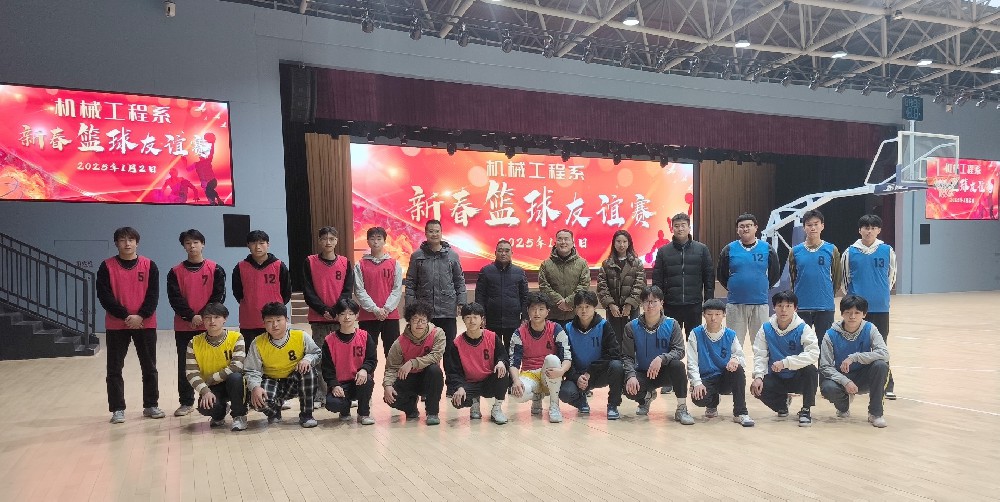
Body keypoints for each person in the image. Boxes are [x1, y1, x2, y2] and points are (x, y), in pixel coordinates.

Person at [98, 226, 162, 424]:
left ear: (137, 243)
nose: (127, 244)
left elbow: (153, 295)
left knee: (149, 367)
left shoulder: (149, 265)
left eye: (131, 240)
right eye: (123, 240)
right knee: (114, 369)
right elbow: (104, 296)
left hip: (145, 323)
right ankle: (117, 409)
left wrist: (141, 316)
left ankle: (151, 405)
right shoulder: (106, 266)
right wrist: (126, 316)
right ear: (116, 243)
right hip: (117, 325)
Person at [651, 212, 715, 394]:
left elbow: (708, 277)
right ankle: (669, 380)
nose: (680, 228)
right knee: (670, 344)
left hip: (694, 304)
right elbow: (657, 280)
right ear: (672, 228)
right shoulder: (664, 251)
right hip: (671, 305)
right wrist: (658, 303)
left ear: (689, 227)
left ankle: (696, 379)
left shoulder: (701, 249)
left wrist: (708, 302)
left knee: (695, 343)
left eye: (683, 225)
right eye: (676, 225)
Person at [166, 228, 227, 417]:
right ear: (184, 246)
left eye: (196, 242)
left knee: (214, 363)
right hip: (185, 326)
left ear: (203, 244)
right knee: (186, 364)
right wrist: (191, 316)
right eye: (188, 243)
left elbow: (218, 296)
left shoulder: (216, 269)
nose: (192, 246)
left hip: (210, 325)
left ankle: (218, 398)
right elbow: (174, 298)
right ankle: (186, 402)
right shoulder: (175, 271)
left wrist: (204, 316)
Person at [842, 214, 898, 399]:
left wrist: (879, 294)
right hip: (856, 310)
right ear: (860, 230)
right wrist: (854, 300)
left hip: (880, 307)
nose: (869, 231)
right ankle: (854, 382)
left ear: (879, 230)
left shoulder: (887, 250)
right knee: (855, 346)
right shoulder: (850, 252)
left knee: (881, 346)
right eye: (866, 227)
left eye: (873, 228)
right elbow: (845, 280)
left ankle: (887, 384)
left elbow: (891, 277)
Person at [622, 286, 695, 424]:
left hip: (665, 372)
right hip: (643, 372)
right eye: (646, 301)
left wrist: (662, 358)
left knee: (678, 366)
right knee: (628, 386)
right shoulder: (631, 327)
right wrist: (631, 376)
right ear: (641, 304)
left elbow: (680, 351)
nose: (650, 305)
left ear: (661, 303)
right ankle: (646, 397)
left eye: (654, 301)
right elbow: (627, 356)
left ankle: (682, 408)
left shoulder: (672, 324)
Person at [403, 219, 466, 377]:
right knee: (426, 349)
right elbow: (410, 283)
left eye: (437, 231)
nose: (434, 234)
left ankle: (452, 384)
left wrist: (461, 302)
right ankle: (428, 384)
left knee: (449, 349)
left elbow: (459, 281)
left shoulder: (452, 256)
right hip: (425, 312)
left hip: (447, 311)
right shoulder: (417, 256)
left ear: (441, 233)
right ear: (425, 233)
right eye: (431, 231)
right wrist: (411, 308)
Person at [245, 302, 321, 428]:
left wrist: (307, 359)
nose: (274, 325)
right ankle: (275, 411)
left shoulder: (300, 336)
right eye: (269, 321)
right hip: (271, 380)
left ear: (286, 320)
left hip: (294, 380)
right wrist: (255, 387)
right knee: (258, 401)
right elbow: (252, 370)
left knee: (308, 371)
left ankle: (306, 415)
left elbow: (316, 353)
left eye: (278, 320)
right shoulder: (257, 343)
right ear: (263, 323)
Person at [750, 290, 820, 427]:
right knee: (756, 388)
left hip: (797, 377)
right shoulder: (766, 328)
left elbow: (813, 353)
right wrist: (758, 376)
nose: (784, 310)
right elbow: (760, 355)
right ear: (774, 307)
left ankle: (806, 410)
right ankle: (782, 404)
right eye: (780, 305)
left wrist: (786, 363)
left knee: (811, 370)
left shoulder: (803, 328)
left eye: (788, 306)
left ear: (795, 308)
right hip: (776, 376)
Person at [302, 226, 355, 408]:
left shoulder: (345, 262)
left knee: (341, 357)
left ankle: (344, 393)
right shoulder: (310, 262)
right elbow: (308, 290)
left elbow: (347, 290)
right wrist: (323, 309)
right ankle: (319, 395)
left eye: (332, 239)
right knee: (319, 356)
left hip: (340, 318)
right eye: (324, 238)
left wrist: (336, 310)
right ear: (319, 241)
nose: (328, 242)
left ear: (336, 241)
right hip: (318, 318)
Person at [819, 295, 891, 428]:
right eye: (848, 312)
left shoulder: (870, 329)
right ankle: (843, 406)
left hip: (864, 376)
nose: (852, 316)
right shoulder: (830, 334)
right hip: (842, 377)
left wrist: (855, 357)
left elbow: (884, 354)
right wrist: (845, 381)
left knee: (881, 365)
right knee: (827, 387)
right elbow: (825, 366)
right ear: (842, 314)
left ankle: (875, 413)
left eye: (857, 313)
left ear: (864, 314)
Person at [687, 299, 754, 427]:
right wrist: (696, 383)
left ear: (724, 315)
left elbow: (740, 356)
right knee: (698, 398)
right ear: (704, 315)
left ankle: (740, 412)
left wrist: (735, 359)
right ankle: (712, 402)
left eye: (717, 314)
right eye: (709, 314)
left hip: (724, 378)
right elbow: (691, 362)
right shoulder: (695, 334)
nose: (713, 318)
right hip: (706, 378)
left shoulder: (730, 334)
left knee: (738, 369)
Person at [559, 290, 625, 420]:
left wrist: (590, 372)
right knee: (565, 393)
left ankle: (613, 405)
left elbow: (613, 353)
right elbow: (565, 357)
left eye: (587, 306)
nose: (583, 310)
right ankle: (580, 401)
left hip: (599, 373)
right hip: (578, 375)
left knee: (617, 366)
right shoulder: (568, 328)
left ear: (594, 307)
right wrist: (576, 377)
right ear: (575, 309)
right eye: (580, 307)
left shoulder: (604, 325)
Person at [717, 213, 780, 346]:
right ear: (737, 230)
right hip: (735, 304)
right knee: (734, 345)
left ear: (756, 227)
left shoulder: (767, 248)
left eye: (749, 226)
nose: (745, 229)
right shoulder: (729, 249)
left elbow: (774, 273)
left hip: (760, 303)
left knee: (761, 345)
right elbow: (721, 274)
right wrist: (735, 286)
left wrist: (762, 286)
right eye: (742, 226)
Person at [509, 292, 572, 423]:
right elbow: (514, 362)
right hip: (529, 374)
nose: (537, 313)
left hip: (548, 374)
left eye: (541, 309)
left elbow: (567, 357)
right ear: (528, 310)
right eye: (533, 309)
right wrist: (516, 381)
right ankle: (536, 397)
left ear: (548, 311)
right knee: (517, 394)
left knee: (552, 359)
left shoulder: (556, 329)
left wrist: (562, 371)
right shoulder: (519, 333)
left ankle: (554, 405)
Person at [184, 303, 247, 431]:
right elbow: (191, 373)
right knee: (205, 406)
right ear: (203, 320)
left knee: (236, 377)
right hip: (212, 387)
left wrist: (212, 378)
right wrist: (205, 391)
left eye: (217, 317)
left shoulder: (236, 337)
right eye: (207, 317)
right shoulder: (194, 342)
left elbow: (237, 366)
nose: (212, 321)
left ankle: (239, 416)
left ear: (225, 319)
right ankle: (220, 414)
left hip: (232, 383)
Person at [383, 301, 446, 425]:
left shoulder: (437, 333)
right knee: (390, 397)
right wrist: (387, 385)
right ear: (409, 321)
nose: (419, 323)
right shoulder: (399, 342)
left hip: (428, 378)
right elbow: (391, 368)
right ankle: (411, 408)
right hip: (408, 378)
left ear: (428, 320)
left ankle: (432, 412)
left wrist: (413, 362)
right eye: (415, 320)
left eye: (423, 320)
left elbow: (436, 355)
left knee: (435, 370)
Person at [446, 302, 510, 424]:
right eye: (468, 317)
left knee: (503, 372)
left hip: (488, 382)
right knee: (457, 401)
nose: (472, 321)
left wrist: (501, 362)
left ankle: (497, 408)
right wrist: (459, 387)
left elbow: (503, 356)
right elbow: (453, 371)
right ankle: (474, 402)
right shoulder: (457, 343)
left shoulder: (492, 337)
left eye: (475, 317)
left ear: (482, 320)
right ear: (463, 320)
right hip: (469, 383)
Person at [788, 209, 842, 345]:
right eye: (809, 225)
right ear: (804, 227)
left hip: (824, 306)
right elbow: (793, 278)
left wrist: (827, 293)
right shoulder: (795, 251)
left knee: (825, 344)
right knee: (801, 344)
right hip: (802, 305)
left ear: (822, 226)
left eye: (816, 224)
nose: (813, 228)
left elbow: (837, 278)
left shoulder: (831, 249)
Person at [321, 299, 377, 425]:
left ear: (357, 315)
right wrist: (334, 385)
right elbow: (326, 368)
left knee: (367, 379)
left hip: (359, 380)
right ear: (337, 316)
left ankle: (363, 413)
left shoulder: (365, 336)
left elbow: (371, 359)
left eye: (351, 314)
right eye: (343, 314)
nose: (347, 317)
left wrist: (364, 369)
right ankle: (344, 410)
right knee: (333, 404)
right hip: (341, 384)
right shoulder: (329, 340)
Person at [232, 230, 291, 346]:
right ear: (248, 245)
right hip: (249, 320)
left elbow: (286, 292)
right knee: (251, 353)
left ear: (268, 244)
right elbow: (237, 293)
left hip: (274, 320)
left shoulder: (279, 265)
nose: (258, 247)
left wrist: (276, 308)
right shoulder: (240, 267)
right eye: (253, 243)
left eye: (261, 243)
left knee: (276, 353)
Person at [355, 226, 403, 358]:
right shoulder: (360, 264)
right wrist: (375, 309)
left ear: (384, 241)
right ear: (367, 241)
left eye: (379, 238)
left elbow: (397, 289)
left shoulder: (394, 264)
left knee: (393, 354)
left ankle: (392, 374)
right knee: (367, 354)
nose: (375, 242)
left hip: (390, 316)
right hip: (367, 316)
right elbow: (359, 290)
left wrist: (386, 309)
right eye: (372, 239)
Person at [474, 239, 528, 355]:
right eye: (500, 251)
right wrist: (481, 316)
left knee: (512, 352)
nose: (503, 253)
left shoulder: (519, 272)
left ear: (512, 253)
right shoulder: (486, 271)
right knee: (492, 352)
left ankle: (510, 368)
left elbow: (525, 297)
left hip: (513, 321)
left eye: (507, 251)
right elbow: (480, 295)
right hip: (492, 320)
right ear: (495, 253)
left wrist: (525, 316)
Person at [597, 229, 645, 347]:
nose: (621, 244)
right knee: (614, 340)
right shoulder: (606, 264)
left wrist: (629, 304)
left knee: (632, 339)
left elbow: (640, 285)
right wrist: (611, 304)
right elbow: (602, 286)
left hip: (631, 309)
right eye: (618, 241)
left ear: (629, 243)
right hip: (613, 310)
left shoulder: (637, 263)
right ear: (614, 243)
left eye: (624, 241)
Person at [538, 228, 591, 328]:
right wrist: (559, 301)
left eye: (566, 239)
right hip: (553, 315)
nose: (563, 242)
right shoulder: (546, 264)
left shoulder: (582, 263)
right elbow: (544, 286)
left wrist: (568, 302)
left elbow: (584, 285)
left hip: (576, 314)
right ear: (555, 243)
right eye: (560, 239)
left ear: (572, 243)